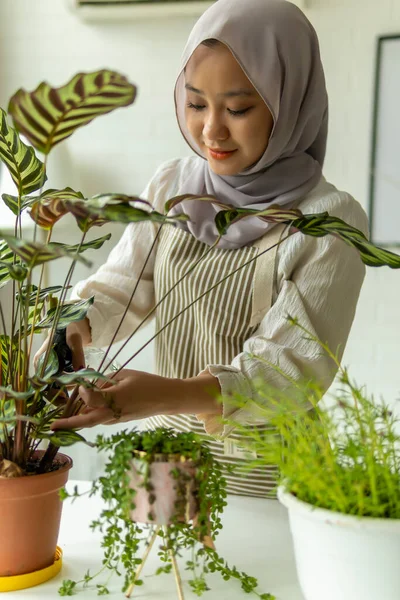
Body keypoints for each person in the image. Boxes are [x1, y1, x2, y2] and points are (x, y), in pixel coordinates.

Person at [36, 0, 368, 498]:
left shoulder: (327, 222)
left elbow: (290, 369)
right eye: (195, 104)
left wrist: (166, 394)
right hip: (170, 459)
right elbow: (123, 285)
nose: (211, 130)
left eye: (237, 109)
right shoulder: (173, 187)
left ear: (291, 103)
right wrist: (75, 327)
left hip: (269, 478)